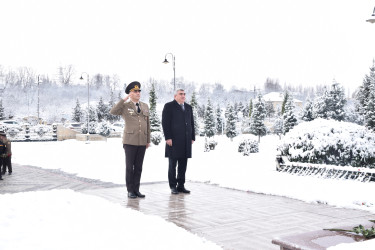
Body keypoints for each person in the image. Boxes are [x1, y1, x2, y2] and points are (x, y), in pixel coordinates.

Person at [110, 81, 150, 199]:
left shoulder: (145, 106)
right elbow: (113, 111)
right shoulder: (125, 106)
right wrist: (124, 99)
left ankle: (136, 189)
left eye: (139, 91)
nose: (138, 93)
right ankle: (130, 190)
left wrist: (148, 139)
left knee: (138, 167)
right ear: (130, 93)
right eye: (135, 91)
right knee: (129, 167)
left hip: (142, 141)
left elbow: (148, 123)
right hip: (129, 141)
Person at [162, 89, 195, 195]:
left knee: (183, 164)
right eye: (181, 94)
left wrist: (192, 136)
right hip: (173, 140)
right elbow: (165, 123)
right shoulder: (169, 106)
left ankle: (181, 185)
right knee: (172, 165)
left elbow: (191, 123)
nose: (183, 96)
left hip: (186, 140)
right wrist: (168, 137)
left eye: (184, 94)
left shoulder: (189, 107)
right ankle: (173, 186)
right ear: (175, 96)